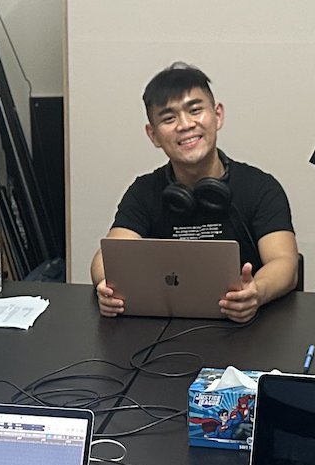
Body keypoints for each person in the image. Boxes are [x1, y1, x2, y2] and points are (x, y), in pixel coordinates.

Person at [90, 63, 299, 322]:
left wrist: (256, 293)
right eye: (169, 118)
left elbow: (285, 263)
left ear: (217, 115)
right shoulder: (144, 191)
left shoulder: (260, 187)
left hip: (245, 331)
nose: (185, 125)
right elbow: (106, 260)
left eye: (195, 110)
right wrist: (107, 286)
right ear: (153, 135)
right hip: (162, 331)